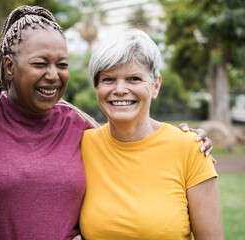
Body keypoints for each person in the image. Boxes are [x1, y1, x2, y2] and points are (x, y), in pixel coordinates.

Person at [0, 6, 213, 240]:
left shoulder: (79, 128)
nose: (53, 75)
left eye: (62, 64)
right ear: (10, 67)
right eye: (40, 63)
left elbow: (129, 141)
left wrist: (185, 140)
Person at [79, 28, 223, 239]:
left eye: (134, 79)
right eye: (108, 79)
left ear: (155, 86)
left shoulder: (191, 148)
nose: (120, 89)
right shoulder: (82, 145)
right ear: (97, 88)